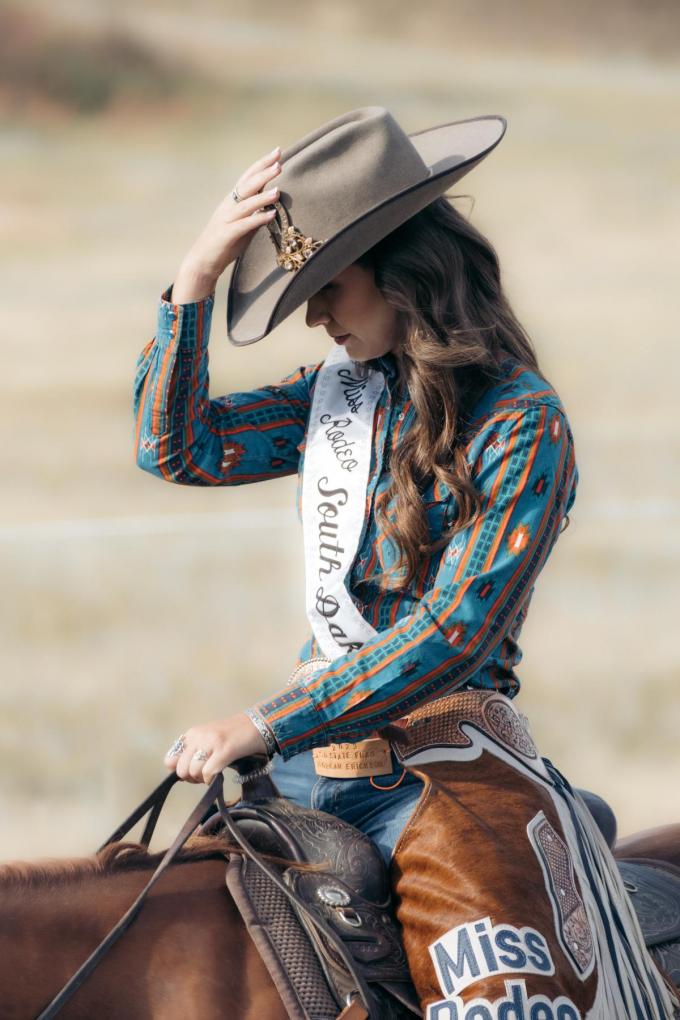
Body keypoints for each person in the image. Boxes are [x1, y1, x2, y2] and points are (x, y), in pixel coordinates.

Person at [133, 108, 677, 1018]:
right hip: (310, 770)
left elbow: (453, 633)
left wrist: (263, 721)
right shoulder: (333, 400)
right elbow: (178, 447)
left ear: (403, 268)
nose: (314, 317)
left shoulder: (520, 422)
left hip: (452, 770)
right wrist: (192, 281)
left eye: (329, 287)